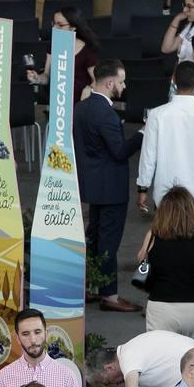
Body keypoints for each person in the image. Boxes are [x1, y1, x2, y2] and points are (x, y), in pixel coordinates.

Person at [74, 59, 144, 311]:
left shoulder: (81, 108)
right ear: (110, 82)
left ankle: (93, 287)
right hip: (112, 188)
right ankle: (110, 296)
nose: (124, 86)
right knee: (108, 243)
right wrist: (142, 134)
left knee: (94, 239)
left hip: (91, 185)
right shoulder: (106, 113)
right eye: (122, 81)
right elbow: (119, 151)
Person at [136, 187, 194, 340]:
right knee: (193, 358)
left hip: (161, 306)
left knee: (162, 358)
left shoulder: (153, 235)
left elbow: (141, 260)